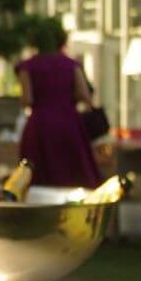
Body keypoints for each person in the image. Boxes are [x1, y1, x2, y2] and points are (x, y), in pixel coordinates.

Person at [16, 26, 101, 188]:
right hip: (69, 123)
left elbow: (27, 99)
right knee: (72, 172)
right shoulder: (71, 64)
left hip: (40, 126)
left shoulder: (28, 66)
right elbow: (84, 95)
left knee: (38, 176)